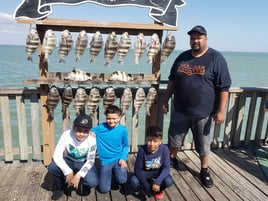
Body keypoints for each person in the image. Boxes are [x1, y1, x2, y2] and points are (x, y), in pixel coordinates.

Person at [162, 25, 232, 188]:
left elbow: (224, 87)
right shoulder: (182, 57)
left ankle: (204, 170)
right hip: (180, 109)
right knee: (174, 139)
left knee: (203, 144)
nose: (195, 41)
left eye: (198, 38)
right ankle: (172, 161)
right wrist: (165, 100)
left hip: (204, 113)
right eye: (192, 38)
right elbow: (172, 80)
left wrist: (221, 111)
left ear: (206, 38)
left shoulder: (216, 58)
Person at [48, 114, 98, 200]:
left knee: (92, 181)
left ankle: (81, 182)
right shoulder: (66, 135)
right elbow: (56, 155)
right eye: (78, 130)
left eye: (85, 131)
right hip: (69, 160)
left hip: (83, 162)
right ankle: (60, 186)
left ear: (89, 131)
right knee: (52, 167)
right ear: (73, 127)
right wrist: (67, 171)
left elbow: (90, 161)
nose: (81, 134)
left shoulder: (92, 139)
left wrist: (79, 175)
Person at [91, 105, 129, 194]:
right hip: (105, 161)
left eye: (114, 118)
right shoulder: (100, 127)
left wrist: (123, 158)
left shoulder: (122, 130)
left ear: (119, 118)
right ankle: (108, 174)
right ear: (106, 117)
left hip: (118, 159)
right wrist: (91, 134)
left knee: (122, 180)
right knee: (104, 190)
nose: (111, 121)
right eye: (109, 118)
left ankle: (115, 174)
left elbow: (125, 145)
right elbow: (89, 131)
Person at [130, 126, 173, 200]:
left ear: (160, 141)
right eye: (149, 140)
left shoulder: (164, 149)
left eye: (155, 141)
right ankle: (145, 187)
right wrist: (147, 187)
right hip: (145, 172)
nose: (152, 144)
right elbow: (137, 170)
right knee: (133, 181)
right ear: (146, 139)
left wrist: (158, 182)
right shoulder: (142, 150)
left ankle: (158, 190)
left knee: (169, 181)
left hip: (158, 171)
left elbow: (166, 168)